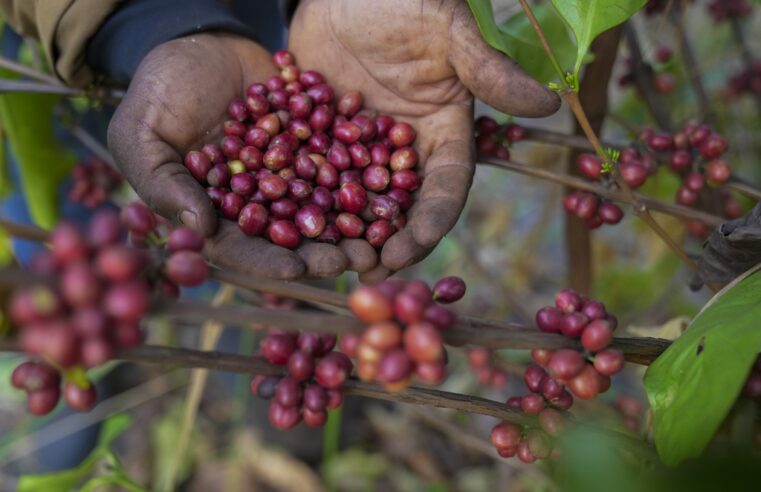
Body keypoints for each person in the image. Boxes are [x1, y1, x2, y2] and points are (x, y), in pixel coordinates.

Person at [0, 0, 560, 282]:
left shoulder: (302, 143)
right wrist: (138, 17)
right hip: (96, 47)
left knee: (208, 229)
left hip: (301, 19)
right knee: (88, 242)